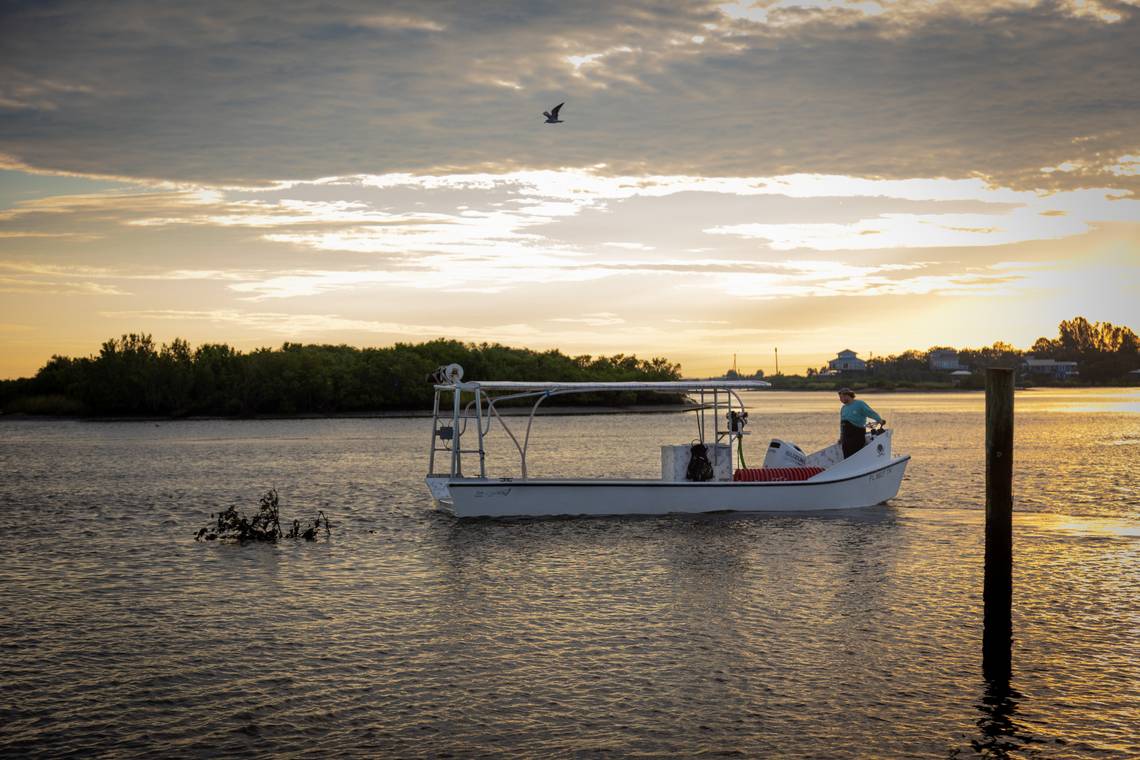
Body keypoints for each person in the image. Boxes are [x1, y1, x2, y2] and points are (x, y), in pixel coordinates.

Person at [837, 388, 883, 459]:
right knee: (846, 455)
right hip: (846, 437)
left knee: (856, 454)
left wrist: (879, 420)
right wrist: (841, 437)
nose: (840, 399)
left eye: (841, 397)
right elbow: (841, 424)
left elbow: (870, 412)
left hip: (857, 434)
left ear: (847, 395)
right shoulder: (843, 408)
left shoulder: (859, 404)